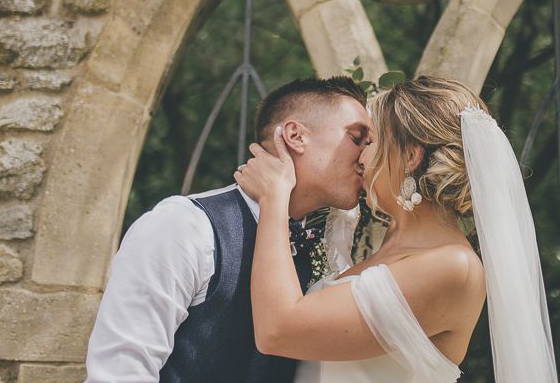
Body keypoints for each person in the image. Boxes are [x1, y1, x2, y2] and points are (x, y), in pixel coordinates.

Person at [235, 75, 558, 383]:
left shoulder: (453, 267)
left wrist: (274, 197)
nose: (360, 154)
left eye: (370, 141)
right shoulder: (390, 247)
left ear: (411, 155)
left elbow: (279, 331)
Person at [84, 76, 372, 383]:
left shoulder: (326, 250)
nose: (366, 158)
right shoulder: (183, 226)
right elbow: (120, 372)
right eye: (356, 138)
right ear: (295, 136)